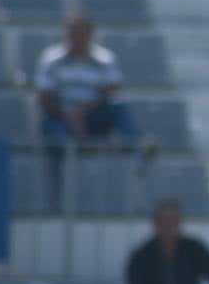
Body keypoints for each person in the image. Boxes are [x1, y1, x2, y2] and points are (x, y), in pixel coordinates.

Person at [36, 14, 140, 211]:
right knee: (57, 137)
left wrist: (81, 113)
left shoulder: (105, 59)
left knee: (120, 106)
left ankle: (136, 151)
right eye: (73, 32)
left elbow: (114, 91)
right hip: (60, 118)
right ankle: (57, 199)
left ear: (91, 34)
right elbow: (45, 97)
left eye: (82, 32)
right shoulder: (52, 60)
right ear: (66, 34)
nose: (78, 37)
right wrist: (68, 115)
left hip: (92, 117)